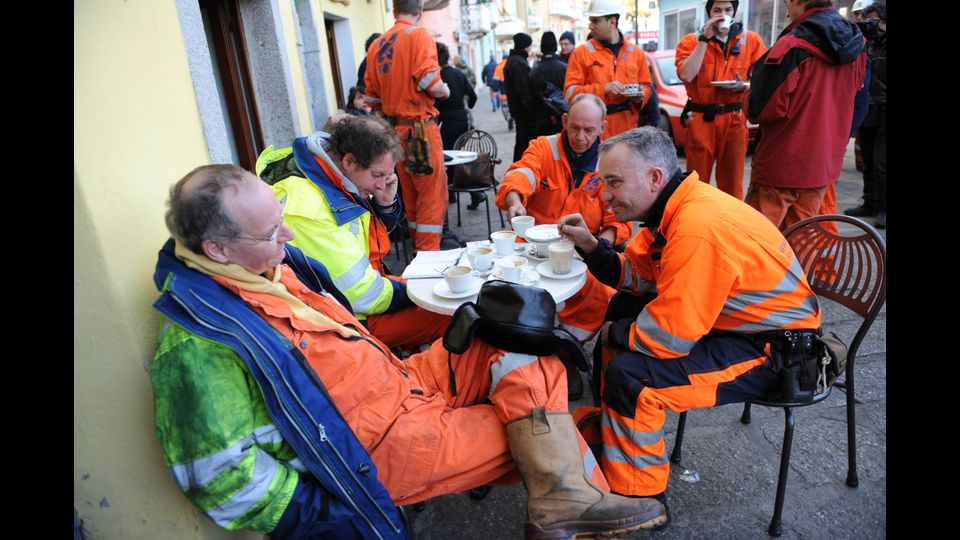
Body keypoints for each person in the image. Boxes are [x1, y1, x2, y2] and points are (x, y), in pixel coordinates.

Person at [151, 164, 667, 538]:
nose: (287, 234)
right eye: (269, 231)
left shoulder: (265, 267)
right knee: (546, 434)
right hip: (381, 444)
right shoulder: (199, 343)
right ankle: (568, 498)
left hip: (403, 382)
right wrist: (336, 513)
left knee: (517, 338)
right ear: (217, 250)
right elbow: (220, 479)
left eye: (281, 217)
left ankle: (564, 499)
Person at [557, 126, 823, 526]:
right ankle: (614, 442)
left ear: (654, 179)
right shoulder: (673, 207)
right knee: (621, 317)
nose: (604, 194)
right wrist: (592, 248)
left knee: (633, 377)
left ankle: (640, 500)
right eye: (602, 181)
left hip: (777, 354)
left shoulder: (696, 227)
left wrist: (605, 331)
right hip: (738, 327)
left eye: (614, 182)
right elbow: (638, 276)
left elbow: (667, 338)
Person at [256, 117, 451, 351]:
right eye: (378, 175)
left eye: (388, 175)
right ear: (349, 161)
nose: (382, 184)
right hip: (341, 319)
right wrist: (419, 291)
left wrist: (385, 205)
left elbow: (362, 238)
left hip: (352, 297)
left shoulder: (326, 171)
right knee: (449, 314)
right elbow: (363, 295)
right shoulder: (308, 208)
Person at [496, 94, 632, 396]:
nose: (581, 137)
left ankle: (566, 352)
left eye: (589, 130)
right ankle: (525, 359)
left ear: (603, 127)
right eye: (575, 128)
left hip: (581, 251)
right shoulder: (544, 147)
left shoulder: (609, 164)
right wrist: (515, 200)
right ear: (564, 121)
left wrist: (601, 246)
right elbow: (521, 173)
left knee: (601, 297)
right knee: (515, 299)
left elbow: (619, 218)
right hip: (531, 247)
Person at [744, 0, 867, 230]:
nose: (786, 10)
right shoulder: (857, 46)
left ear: (795, 1)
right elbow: (859, 102)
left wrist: (747, 95)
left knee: (758, 245)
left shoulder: (791, 47)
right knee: (805, 246)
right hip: (822, 167)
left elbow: (759, 109)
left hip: (781, 167)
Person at [364, 0, 451, 251]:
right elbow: (430, 82)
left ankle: (419, 252)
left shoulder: (376, 46)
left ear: (394, 11)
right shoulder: (419, 35)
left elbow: (371, 98)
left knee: (411, 194)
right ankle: (427, 255)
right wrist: (445, 91)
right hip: (420, 130)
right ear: (420, 12)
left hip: (394, 133)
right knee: (432, 196)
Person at [675, 0, 766, 200]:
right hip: (701, 119)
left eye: (728, 9)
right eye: (717, 10)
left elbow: (763, 78)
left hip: (734, 119)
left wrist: (745, 85)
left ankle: (729, 225)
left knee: (732, 185)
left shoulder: (751, 40)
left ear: (734, 12)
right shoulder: (690, 41)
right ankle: (696, 223)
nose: (722, 14)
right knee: (696, 184)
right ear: (709, 13)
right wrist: (704, 40)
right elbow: (687, 75)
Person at [564, 0, 653, 140]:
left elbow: (647, 86)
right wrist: (603, 89)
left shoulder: (635, 52)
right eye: (590, 21)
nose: (590, 26)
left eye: (595, 21)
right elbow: (570, 95)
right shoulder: (581, 53)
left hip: (628, 132)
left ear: (612, 22)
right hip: (595, 133)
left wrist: (640, 96)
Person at [845, 0, 885, 228]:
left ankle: (883, 207)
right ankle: (869, 202)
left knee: (881, 163)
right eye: (865, 19)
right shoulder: (865, 44)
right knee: (867, 161)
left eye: (874, 20)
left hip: (884, 109)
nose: (868, 24)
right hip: (868, 108)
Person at [435, 42, 483, 211]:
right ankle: (457, 193)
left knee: (448, 158)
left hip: (447, 122)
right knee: (455, 156)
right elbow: (473, 96)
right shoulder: (458, 73)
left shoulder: (438, 77)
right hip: (463, 121)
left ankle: (473, 192)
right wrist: (465, 106)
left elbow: (435, 104)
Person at [504, 32, 537, 161]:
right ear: (524, 46)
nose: (530, 48)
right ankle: (520, 168)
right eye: (529, 45)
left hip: (519, 110)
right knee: (524, 142)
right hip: (523, 112)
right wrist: (530, 108)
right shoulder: (518, 63)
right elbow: (524, 90)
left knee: (521, 140)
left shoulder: (514, 60)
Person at [529, 31, 568, 137]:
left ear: (542, 48)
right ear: (555, 47)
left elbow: (530, 100)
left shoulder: (534, 71)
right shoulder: (565, 68)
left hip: (542, 121)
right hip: (563, 118)